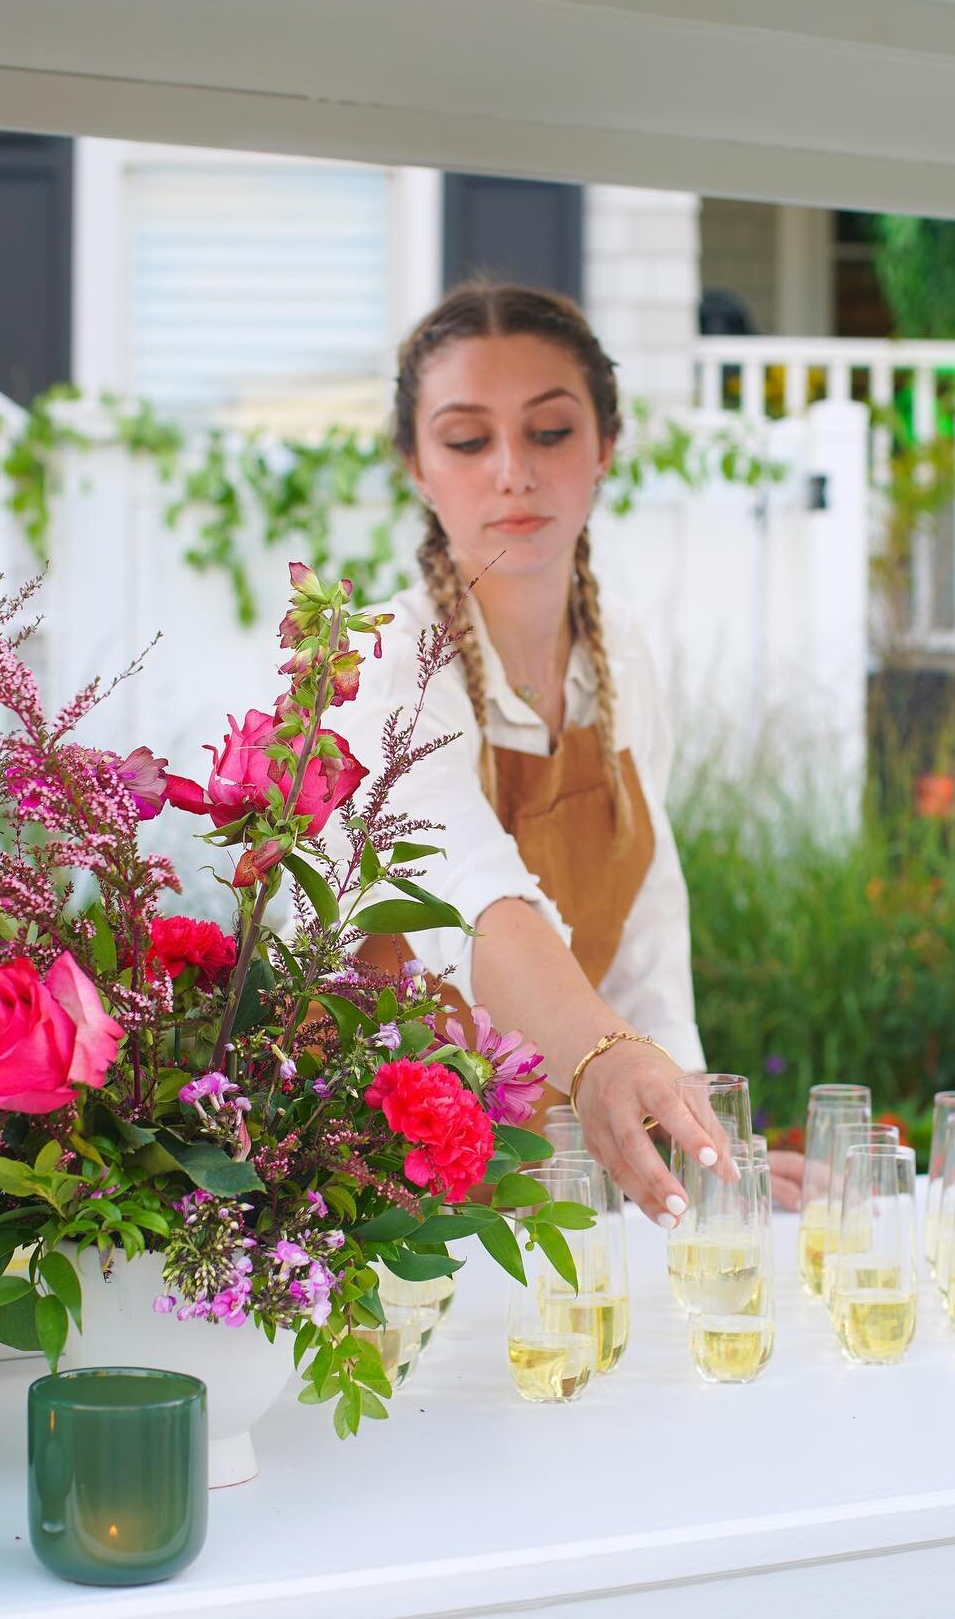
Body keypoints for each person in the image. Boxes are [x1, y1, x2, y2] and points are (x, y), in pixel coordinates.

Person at [344, 283, 802, 1223]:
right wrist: (606, 1059)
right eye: (468, 440)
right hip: (380, 1214)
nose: (512, 470)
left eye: (550, 432)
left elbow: (646, 943)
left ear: (605, 449)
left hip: (556, 1206)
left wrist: (699, 1143)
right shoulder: (382, 662)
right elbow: (471, 900)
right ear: (417, 468)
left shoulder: (621, 656)